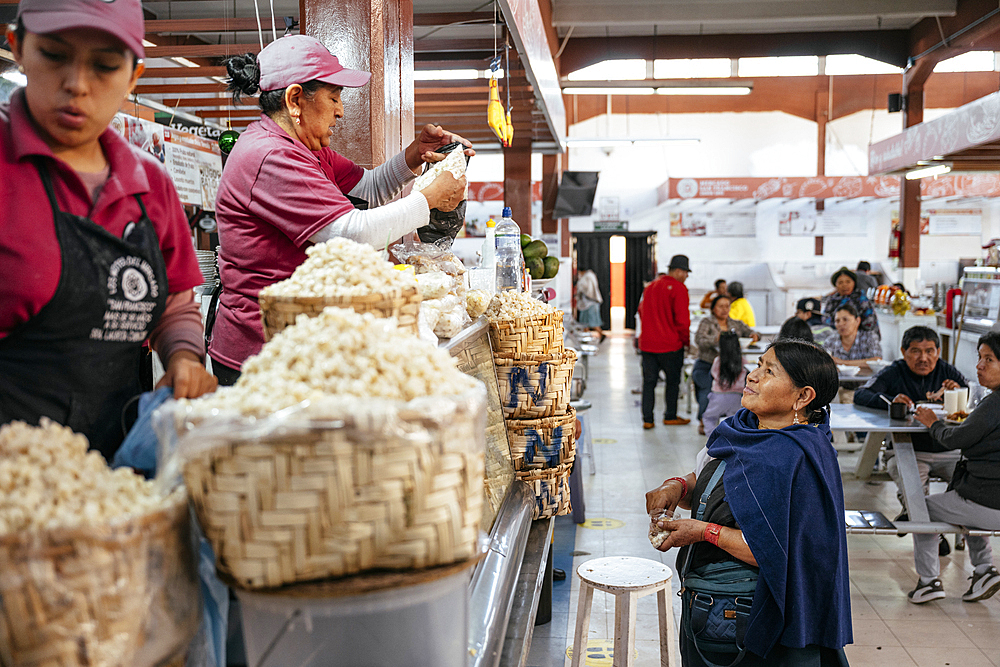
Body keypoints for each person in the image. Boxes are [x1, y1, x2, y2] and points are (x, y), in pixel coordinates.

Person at [0, 0, 217, 461]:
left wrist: (183, 357)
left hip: (113, 464)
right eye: (54, 55)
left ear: (134, 76)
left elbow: (175, 304)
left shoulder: (148, 185)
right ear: (17, 46)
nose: (77, 85)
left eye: (104, 66)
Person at [209, 36, 471, 384]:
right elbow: (352, 233)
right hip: (260, 353)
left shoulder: (307, 149)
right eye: (333, 98)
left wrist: (413, 156)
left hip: (295, 343)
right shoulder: (273, 156)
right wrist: (430, 199)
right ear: (295, 99)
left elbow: (367, 188)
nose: (340, 111)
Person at [646, 340, 851, 665]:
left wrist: (702, 532)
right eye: (758, 365)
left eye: (769, 372)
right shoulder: (740, 429)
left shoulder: (799, 459)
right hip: (705, 604)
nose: (752, 376)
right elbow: (714, 480)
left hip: (753, 615)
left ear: (803, 396)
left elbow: (773, 551)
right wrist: (677, 486)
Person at [854, 326, 967, 552]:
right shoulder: (894, 372)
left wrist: (960, 392)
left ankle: (915, 516)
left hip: (949, 451)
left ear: (938, 352)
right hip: (908, 450)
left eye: (930, 351)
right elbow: (862, 394)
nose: (923, 358)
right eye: (915, 351)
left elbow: (968, 403)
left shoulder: (949, 374)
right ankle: (934, 534)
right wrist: (889, 400)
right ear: (904, 352)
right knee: (913, 486)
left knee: (968, 484)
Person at [908, 332, 1000, 604]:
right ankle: (984, 570)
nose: (979, 366)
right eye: (980, 358)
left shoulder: (994, 403)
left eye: (989, 359)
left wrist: (931, 422)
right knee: (962, 504)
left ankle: (928, 581)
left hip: (990, 503)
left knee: (921, 508)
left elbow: (955, 439)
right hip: (987, 498)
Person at [637, 254, 692, 429]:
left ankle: (648, 419)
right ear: (678, 271)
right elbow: (683, 321)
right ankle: (670, 416)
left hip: (648, 345)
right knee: (672, 382)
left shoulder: (650, 287)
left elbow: (640, 311)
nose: (687, 276)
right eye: (685, 272)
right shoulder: (679, 288)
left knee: (649, 383)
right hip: (671, 346)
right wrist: (686, 341)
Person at [692, 294, 757, 434]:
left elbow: (750, 331)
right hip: (707, 364)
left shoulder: (735, 323)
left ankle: (736, 423)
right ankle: (704, 420)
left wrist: (753, 335)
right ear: (713, 308)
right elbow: (699, 340)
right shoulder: (707, 323)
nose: (724, 309)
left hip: (731, 365)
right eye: (720, 306)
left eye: (727, 306)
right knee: (706, 389)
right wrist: (717, 339)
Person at [701, 332, 747, 437]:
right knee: (734, 421)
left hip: (718, 396)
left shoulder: (717, 361)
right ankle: (732, 440)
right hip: (737, 397)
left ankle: (713, 440)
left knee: (709, 418)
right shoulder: (743, 362)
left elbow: (713, 375)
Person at [822, 267, 880, 340]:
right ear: (835, 286)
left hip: (861, 339)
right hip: (836, 338)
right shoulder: (832, 300)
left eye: (848, 282)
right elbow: (825, 319)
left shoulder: (861, 299)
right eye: (840, 282)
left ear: (854, 283)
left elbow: (869, 322)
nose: (844, 285)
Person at [822, 303, 881, 369]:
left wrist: (842, 362)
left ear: (857, 321)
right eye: (837, 321)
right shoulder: (830, 341)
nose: (841, 324)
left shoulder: (870, 337)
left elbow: (876, 361)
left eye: (845, 319)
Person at [575, 268, 605, 342]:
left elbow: (587, 289)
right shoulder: (590, 275)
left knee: (593, 322)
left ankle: (601, 334)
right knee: (584, 323)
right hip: (587, 304)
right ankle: (585, 339)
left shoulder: (588, 276)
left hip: (590, 303)